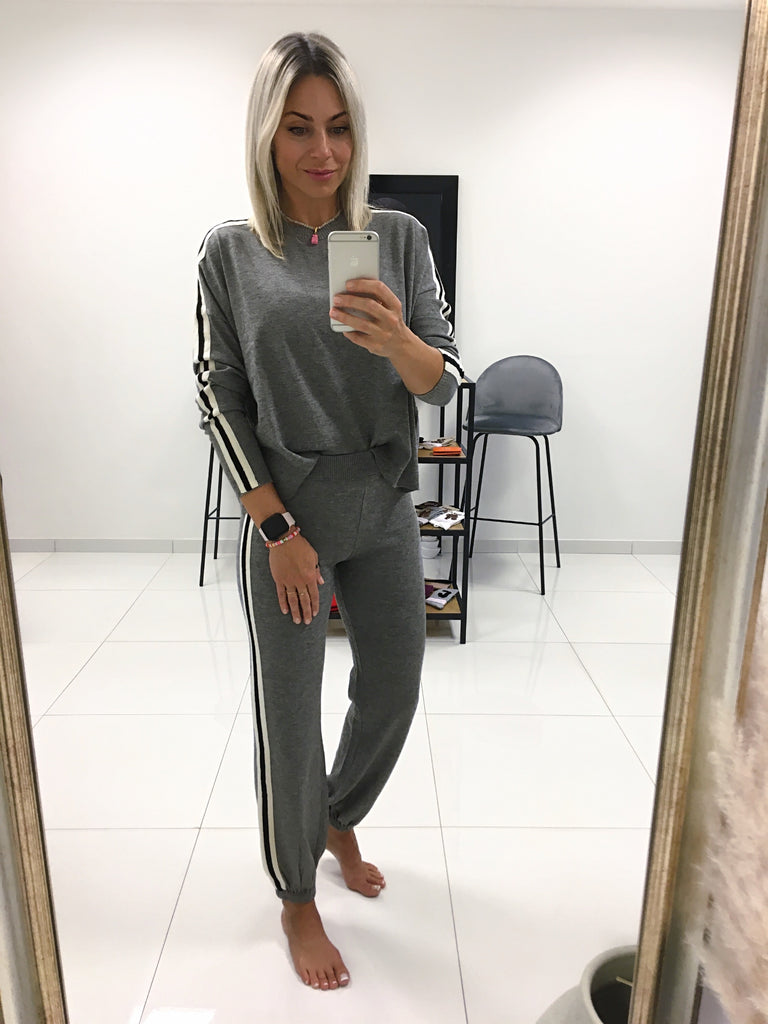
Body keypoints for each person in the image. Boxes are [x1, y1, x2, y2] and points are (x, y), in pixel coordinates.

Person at [194, 31, 463, 992]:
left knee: (393, 685)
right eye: (299, 128)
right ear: (267, 135)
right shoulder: (231, 252)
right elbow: (218, 392)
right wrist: (275, 531)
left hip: (383, 498)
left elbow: (443, 377)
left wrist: (398, 343)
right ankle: (297, 893)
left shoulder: (400, 236)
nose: (323, 151)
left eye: (340, 127)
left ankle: (336, 818)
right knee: (290, 711)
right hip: (289, 515)